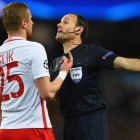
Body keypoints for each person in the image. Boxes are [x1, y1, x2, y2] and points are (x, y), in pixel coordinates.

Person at [48, 13, 140, 140]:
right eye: (60, 22)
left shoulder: (91, 52)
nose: (59, 24)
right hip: (68, 123)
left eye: (65, 22)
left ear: (78, 30)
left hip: (90, 120)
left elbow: (127, 63)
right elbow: (51, 103)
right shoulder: (55, 64)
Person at [0, 2, 73, 140]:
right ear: (23, 23)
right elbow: (47, 93)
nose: (32, 23)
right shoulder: (34, 48)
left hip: (5, 130)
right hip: (33, 129)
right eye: (31, 19)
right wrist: (63, 72)